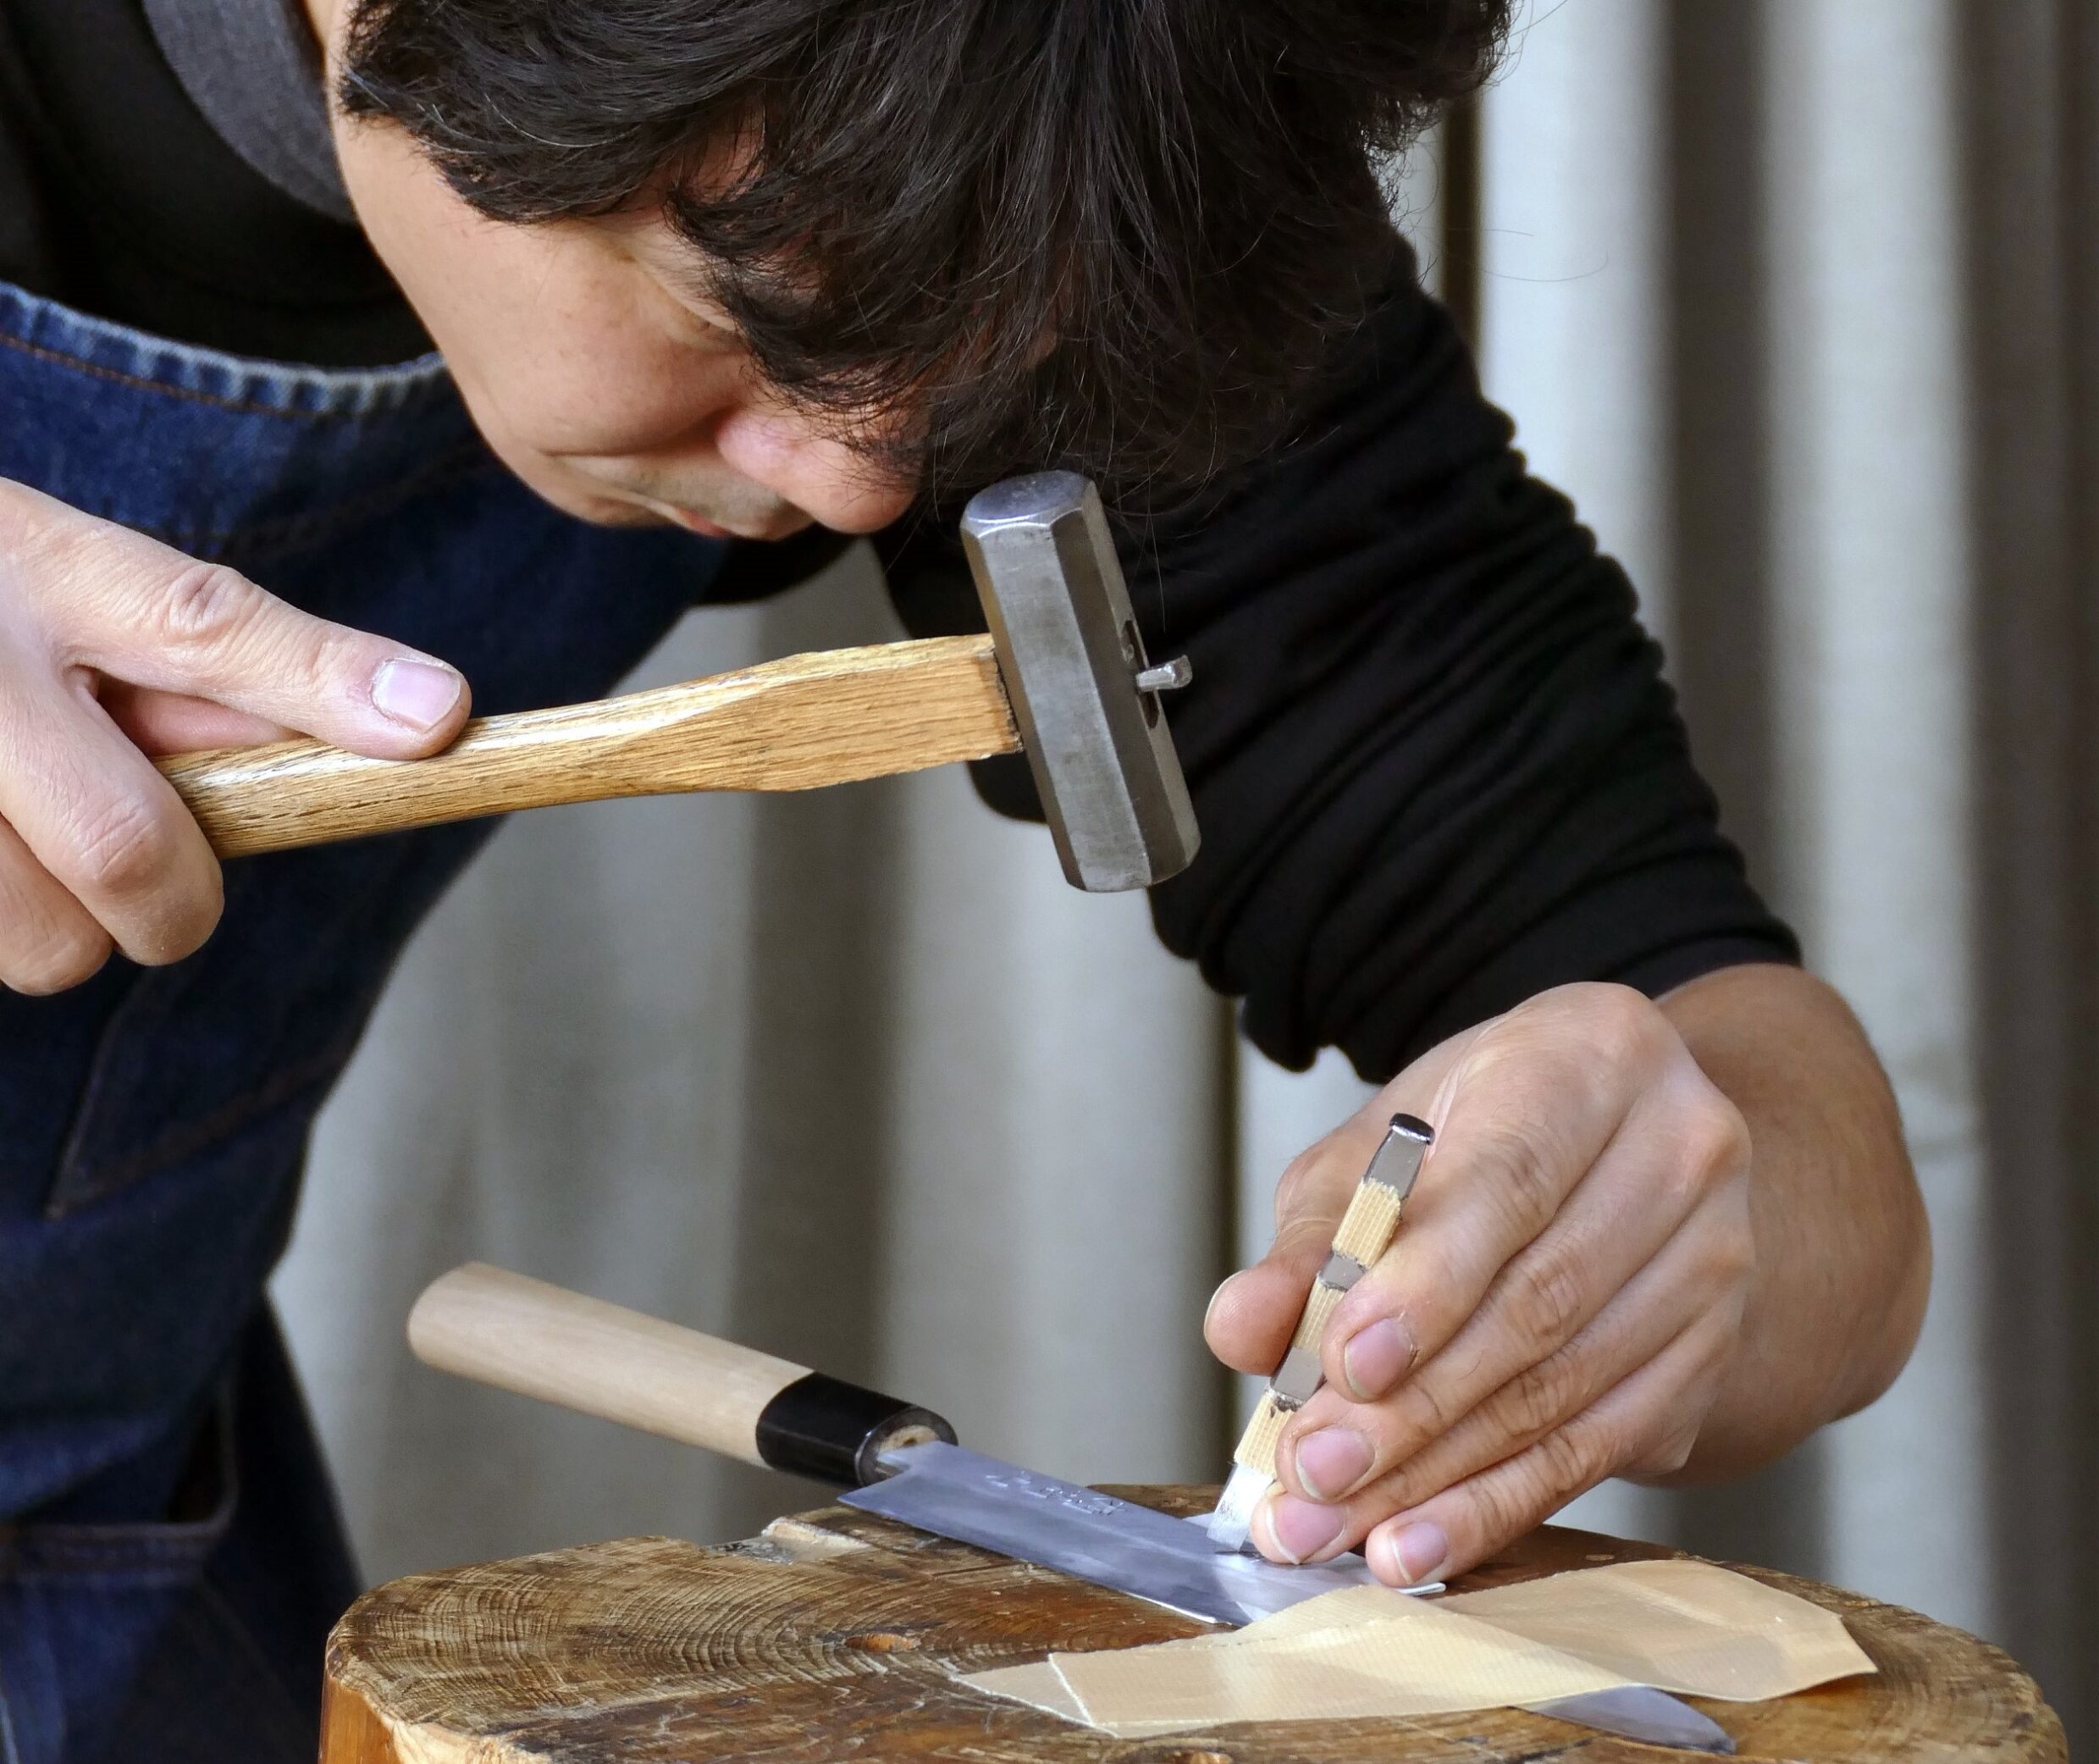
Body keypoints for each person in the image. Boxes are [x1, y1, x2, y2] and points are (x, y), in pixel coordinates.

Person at [0, 1, 1930, 1757]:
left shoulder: (1059, 139)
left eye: (928, 360)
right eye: (743, 314)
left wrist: (1671, 1217)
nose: (855, 479)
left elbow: (1745, 1070)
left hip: (104, 1540)